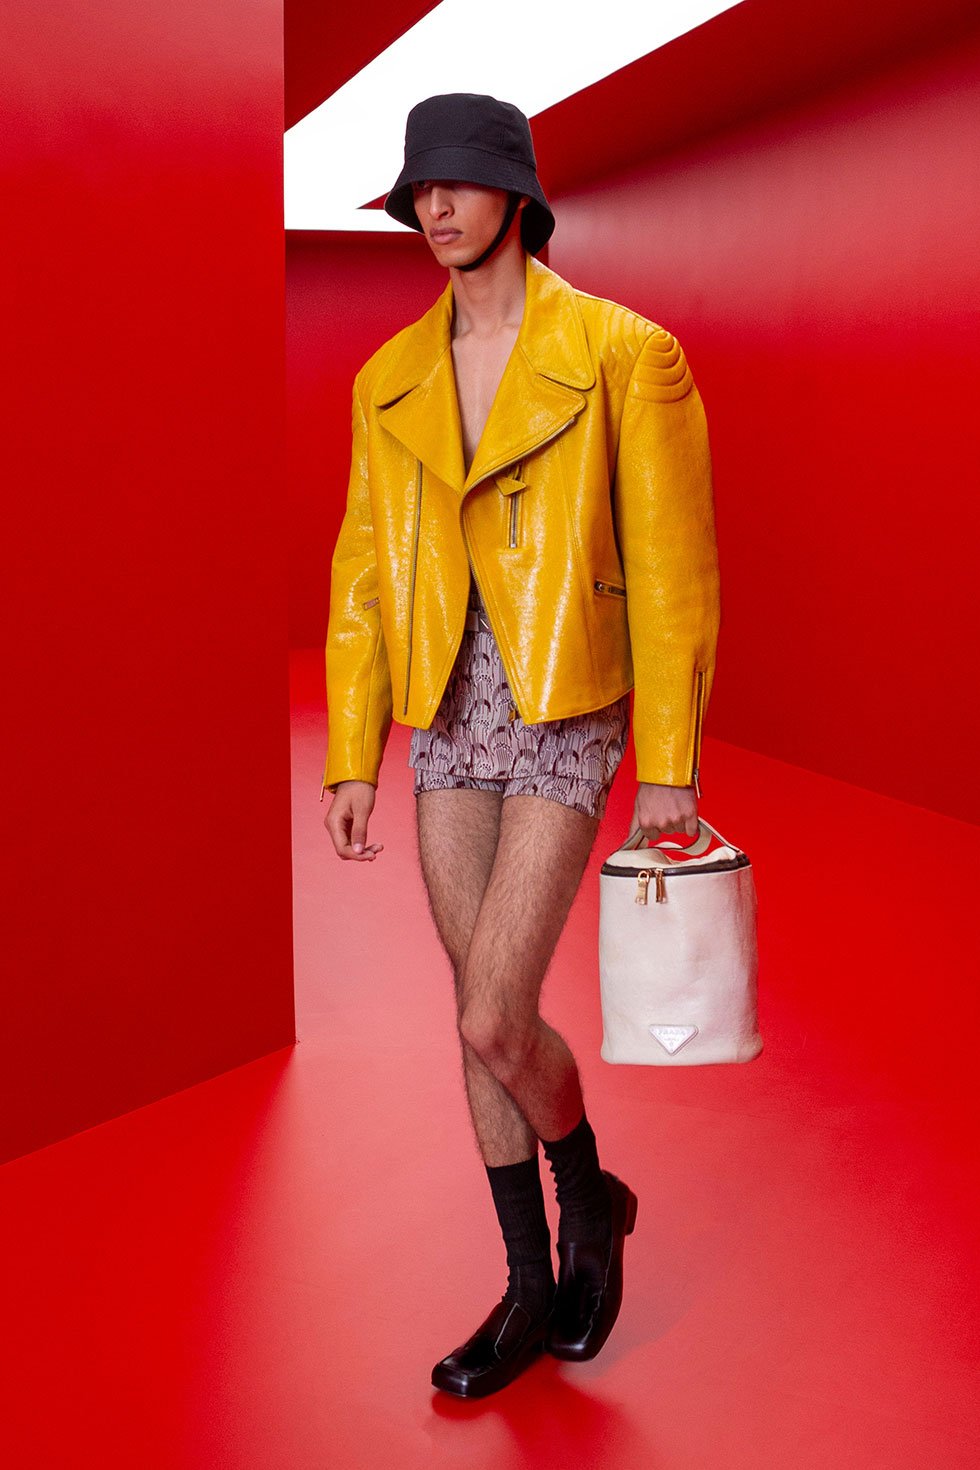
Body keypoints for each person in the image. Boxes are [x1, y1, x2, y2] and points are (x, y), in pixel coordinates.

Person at [322, 93, 720, 1398]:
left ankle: (589, 1200)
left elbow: (673, 569)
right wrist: (351, 749)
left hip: (565, 696)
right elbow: (365, 569)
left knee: (497, 1007)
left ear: (516, 194)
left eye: (455, 182)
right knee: (472, 1013)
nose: (433, 206)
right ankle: (528, 1283)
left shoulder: (624, 353)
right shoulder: (390, 377)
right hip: (447, 702)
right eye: (416, 191)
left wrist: (670, 762)